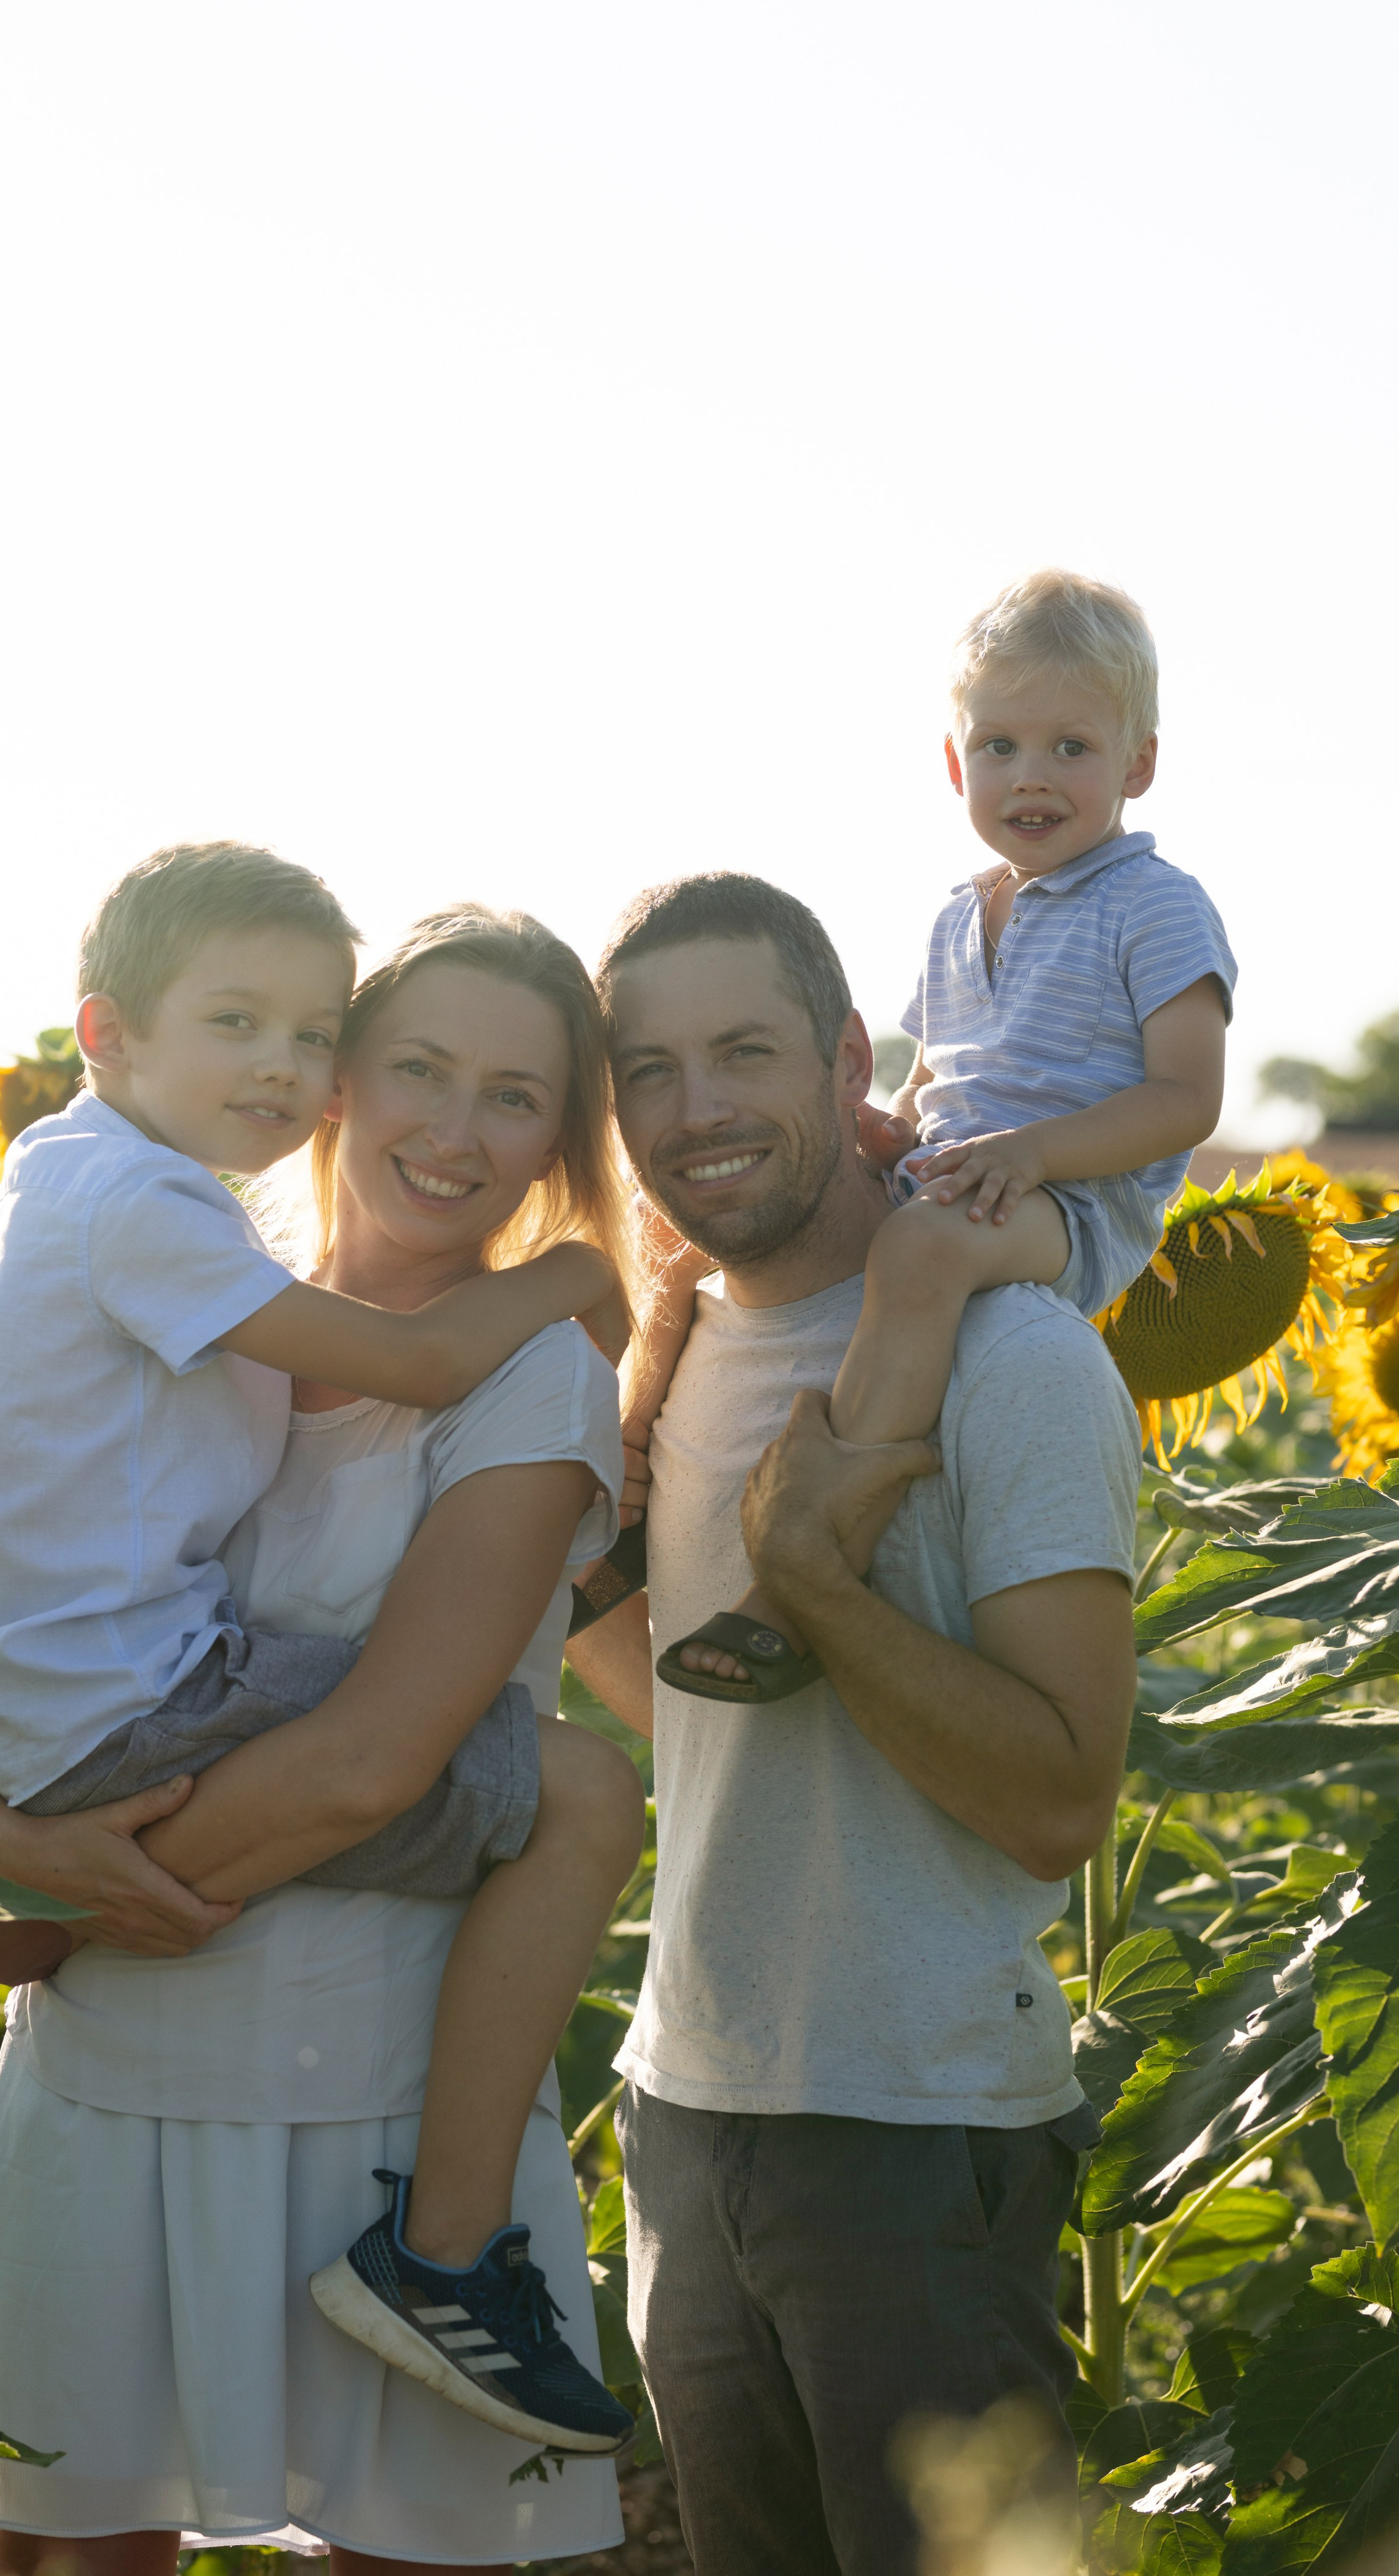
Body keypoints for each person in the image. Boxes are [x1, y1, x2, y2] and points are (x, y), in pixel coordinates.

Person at [0, 904, 647, 2571]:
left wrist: (69, 1911)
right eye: (416, 1067)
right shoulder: (195, 1307)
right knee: (71, 2543)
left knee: (403, 2548)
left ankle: (440, 2266)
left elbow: (374, 1763)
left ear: (555, 1143)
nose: (452, 1127)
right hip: (107, 2077)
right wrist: (5, 1837)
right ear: (335, 1081)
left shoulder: (527, 1374)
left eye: (514, 1096)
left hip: (363, 2093)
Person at [565, 869, 1142, 2576]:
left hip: (917, 2124)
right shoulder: (676, 1365)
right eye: (650, 1070)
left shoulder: (1008, 1355)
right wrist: (606, 1580)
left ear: (845, 1061)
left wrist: (815, 1586)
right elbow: (692, 1726)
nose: (696, 1109)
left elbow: (1056, 1800)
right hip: (684, 2106)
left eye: (742, 1051)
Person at [645, 571, 1235, 1698]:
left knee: (914, 1253)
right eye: (1003, 745)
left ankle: (812, 1555)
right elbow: (931, 1090)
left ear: (1137, 766)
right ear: (958, 765)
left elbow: (1186, 1100)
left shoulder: (1158, 906)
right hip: (965, 1178)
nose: (1033, 776)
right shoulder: (955, 915)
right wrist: (867, 1127)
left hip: (1075, 1201)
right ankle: (635, 1488)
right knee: (707, 1245)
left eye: (1072, 746)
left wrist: (1036, 1155)